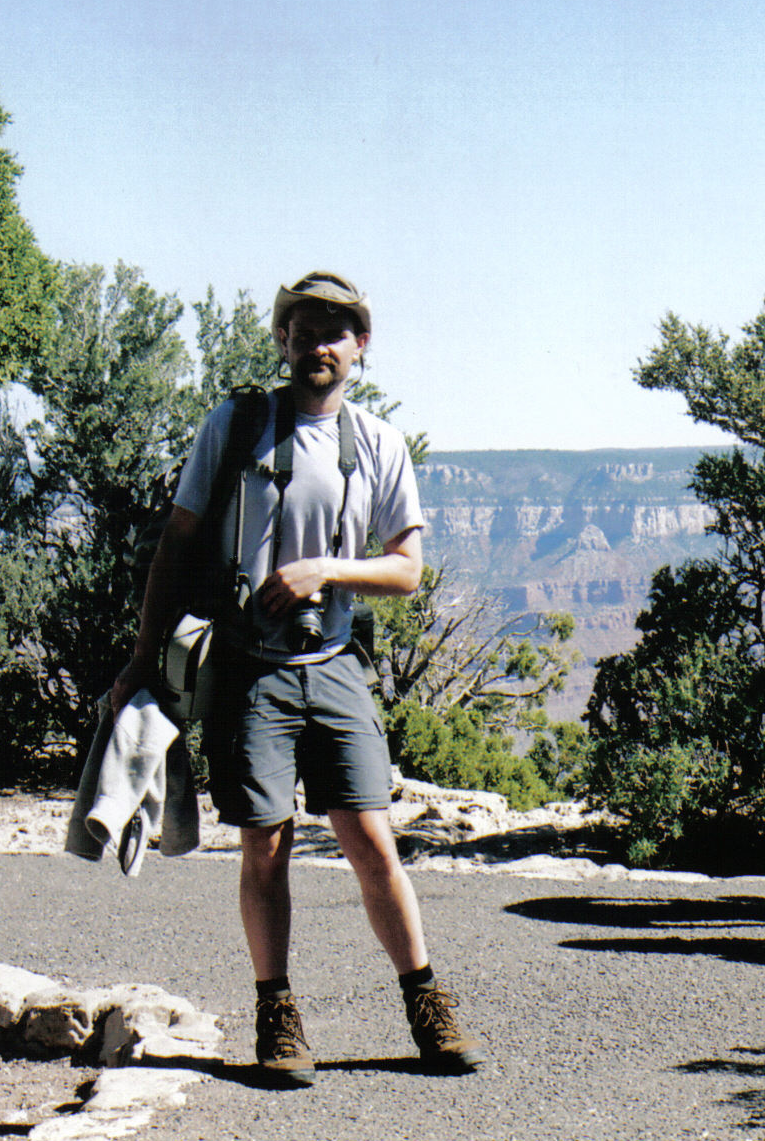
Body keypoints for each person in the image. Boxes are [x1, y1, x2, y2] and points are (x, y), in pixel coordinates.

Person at [111, 271, 487, 1082]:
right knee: (266, 845)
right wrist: (142, 660)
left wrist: (325, 571)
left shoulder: (378, 443)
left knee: (371, 839)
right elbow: (177, 540)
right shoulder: (236, 426)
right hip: (251, 670)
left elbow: (407, 569)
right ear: (282, 340)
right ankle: (277, 1015)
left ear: (360, 347)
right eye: (303, 329)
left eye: (334, 332)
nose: (318, 345)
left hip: (334, 664)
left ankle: (427, 1003)